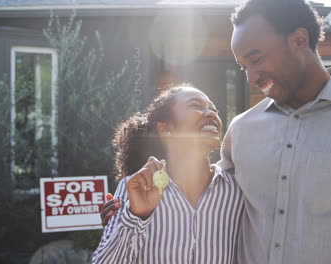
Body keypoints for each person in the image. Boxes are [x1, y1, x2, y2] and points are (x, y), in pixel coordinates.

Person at [219, 0, 331, 263]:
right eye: (243, 66)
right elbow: (208, 210)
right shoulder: (241, 129)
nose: (251, 78)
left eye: (256, 59)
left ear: (299, 39)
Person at [92, 85, 244, 263]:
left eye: (213, 109)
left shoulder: (236, 191)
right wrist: (136, 216)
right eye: (196, 106)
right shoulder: (136, 188)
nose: (211, 113)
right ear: (165, 129)